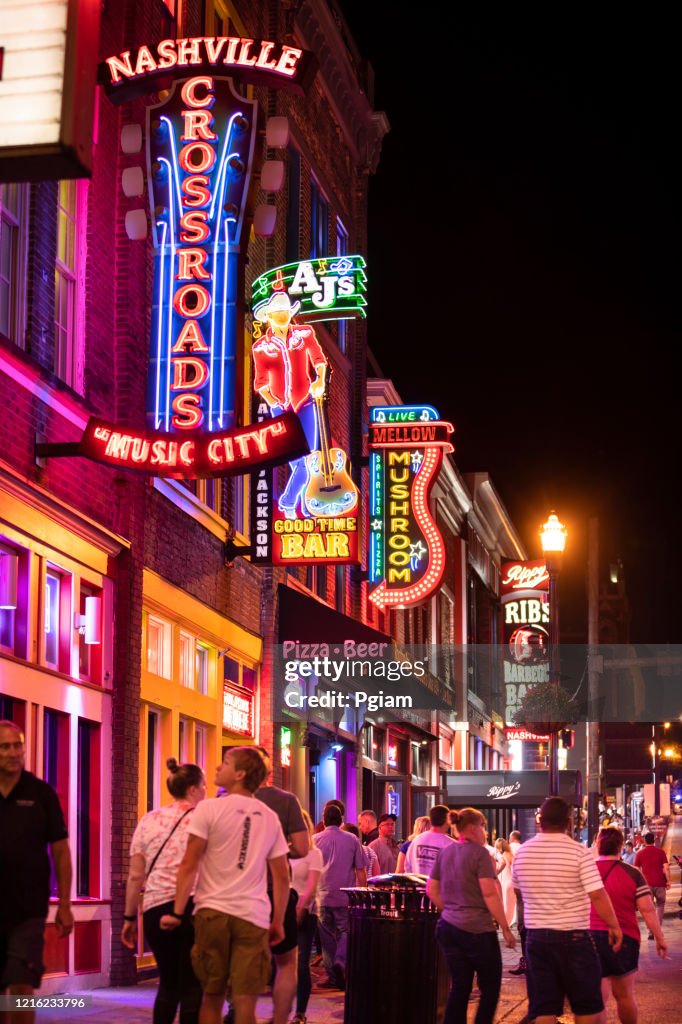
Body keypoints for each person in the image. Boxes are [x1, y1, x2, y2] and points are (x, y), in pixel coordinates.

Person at [161, 746, 290, 1024]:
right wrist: (277, 920)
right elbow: (281, 875)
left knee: (212, 996)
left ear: (240, 774)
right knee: (245, 1001)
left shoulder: (208, 809)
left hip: (212, 914)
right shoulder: (268, 817)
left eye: (226, 763)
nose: (218, 767)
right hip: (253, 918)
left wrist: (177, 912)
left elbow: (189, 862)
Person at [512, 796, 622, 1024]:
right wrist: (613, 925)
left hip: (537, 937)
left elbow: (518, 891)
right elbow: (597, 894)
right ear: (569, 821)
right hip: (574, 937)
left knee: (543, 1008)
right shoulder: (578, 852)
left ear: (540, 820)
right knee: (586, 1006)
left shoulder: (522, 853)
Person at [0, 721, 73, 1024]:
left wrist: (66, 904)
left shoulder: (41, 794)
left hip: (28, 909)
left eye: (18, 745)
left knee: (21, 987)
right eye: (5, 747)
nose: (13, 752)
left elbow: (60, 850)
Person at [122, 758, 205, 1024]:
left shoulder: (149, 820)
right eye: (203, 786)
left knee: (168, 983)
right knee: (193, 983)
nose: (205, 791)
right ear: (192, 789)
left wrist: (129, 918)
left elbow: (136, 875)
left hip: (155, 908)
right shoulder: (203, 819)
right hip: (194, 905)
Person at [428, 807, 516, 1024]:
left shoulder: (446, 852)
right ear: (474, 828)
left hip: (448, 927)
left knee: (460, 986)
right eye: (483, 827)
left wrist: (449, 909)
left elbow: (431, 889)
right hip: (477, 930)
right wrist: (505, 927)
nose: (485, 832)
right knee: (490, 986)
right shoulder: (480, 854)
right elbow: (489, 892)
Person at [252, 291, 328, 517]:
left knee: (309, 460)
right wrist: (275, 404)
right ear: (270, 317)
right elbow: (261, 383)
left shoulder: (304, 335)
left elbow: (319, 359)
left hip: (305, 404)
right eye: (277, 313)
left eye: (285, 312)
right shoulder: (261, 348)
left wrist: (321, 381)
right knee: (299, 461)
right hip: (281, 410)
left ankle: (289, 501)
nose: (282, 317)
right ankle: (305, 506)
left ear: (290, 314)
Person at [253, 746, 309, 1024]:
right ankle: (279, 1019)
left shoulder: (223, 799)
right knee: (286, 963)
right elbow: (302, 847)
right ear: (269, 772)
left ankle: (237, 1012)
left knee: (241, 960)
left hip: (236, 893)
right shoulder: (286, 800)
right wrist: (279, 850)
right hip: (276, 889)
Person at [590, 827, 667, 1024]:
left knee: (596, 998)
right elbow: (648, 909)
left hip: (590, 937)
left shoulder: (587, 872)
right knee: (624, 995)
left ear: (598, 845)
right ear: (621, 846)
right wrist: (659, 937)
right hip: (625, 937)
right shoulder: (632, 874)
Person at [313, 804, 367, 990]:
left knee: (326, 935)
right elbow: (361, 870)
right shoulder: (352, 839)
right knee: (345, 931)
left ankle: (331, 976)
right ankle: (341, 960)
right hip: (345, 896)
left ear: (324, 820)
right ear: (341, 820)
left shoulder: (315, 839)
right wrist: (363, 894)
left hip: (321, 895)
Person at [290, 810, 324, 1024]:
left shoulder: (314, 854)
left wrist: (300, 909)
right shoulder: (281, 851)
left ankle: (300, 1012)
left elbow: (311, 886)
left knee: (301, 964)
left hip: (305, 911)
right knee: (280, 964)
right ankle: (281, 1009)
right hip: (282, 911)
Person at [634, 832, 670, 938]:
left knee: (649, 909)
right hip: (660, 884)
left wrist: (638, 883)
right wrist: (668, 881)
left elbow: (637, 870)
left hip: (646, 885)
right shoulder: (661, 852)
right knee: (660, 906)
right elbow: (666, 868)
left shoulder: (639, 853)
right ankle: (657, 931)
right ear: (654, 841)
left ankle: (650, 932)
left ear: (645, 841)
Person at [405, 805, 455, 877]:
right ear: (447, 820)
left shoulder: (417, 840)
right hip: (440, 888)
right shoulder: (451, 844)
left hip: (418, 887)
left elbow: (408, 867)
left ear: (431, 820)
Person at [494, 838, 516, 926]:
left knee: (505, 905)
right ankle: (508, 923)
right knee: (510, 905)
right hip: (510, 881)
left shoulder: (502, 856)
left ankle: (505, 924)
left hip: (504, 882)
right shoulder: (510, 854)